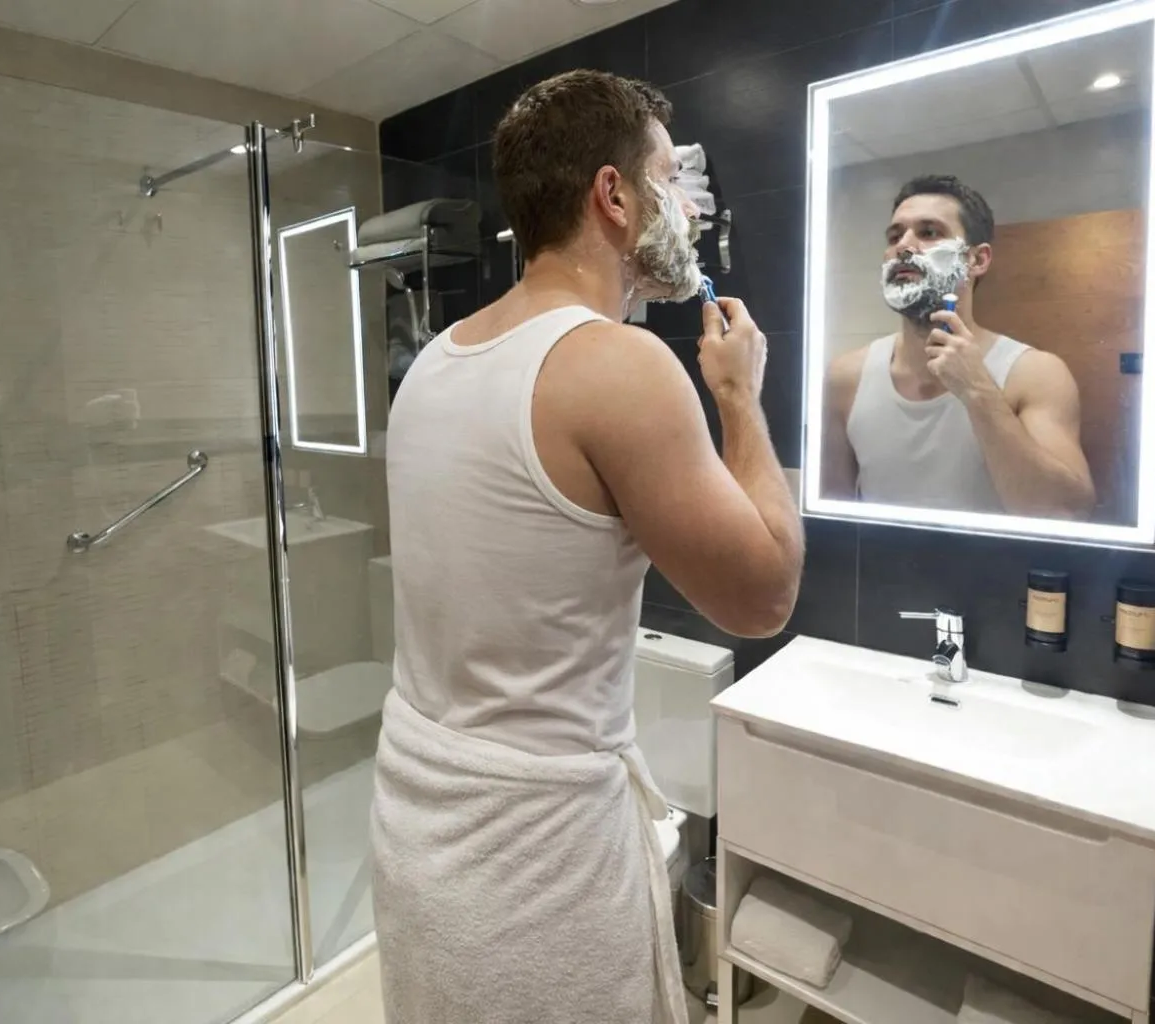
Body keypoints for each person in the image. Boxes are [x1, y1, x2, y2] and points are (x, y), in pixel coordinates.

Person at [372, 70, 804, 1024]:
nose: (688, 208)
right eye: (669, 178)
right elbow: (764, 595)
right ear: (614, 196)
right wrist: (740, 395)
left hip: (421, 840)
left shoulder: (434, 364)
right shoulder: (617, 364)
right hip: (536, 872)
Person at [821, 174, 1095, 518]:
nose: (904, 246)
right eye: (895, 235)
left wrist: (978, 390)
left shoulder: (1034, 374)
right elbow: (832, 516)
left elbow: (1065, 514)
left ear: (977, 260)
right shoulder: (846, 377)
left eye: (929, 232)